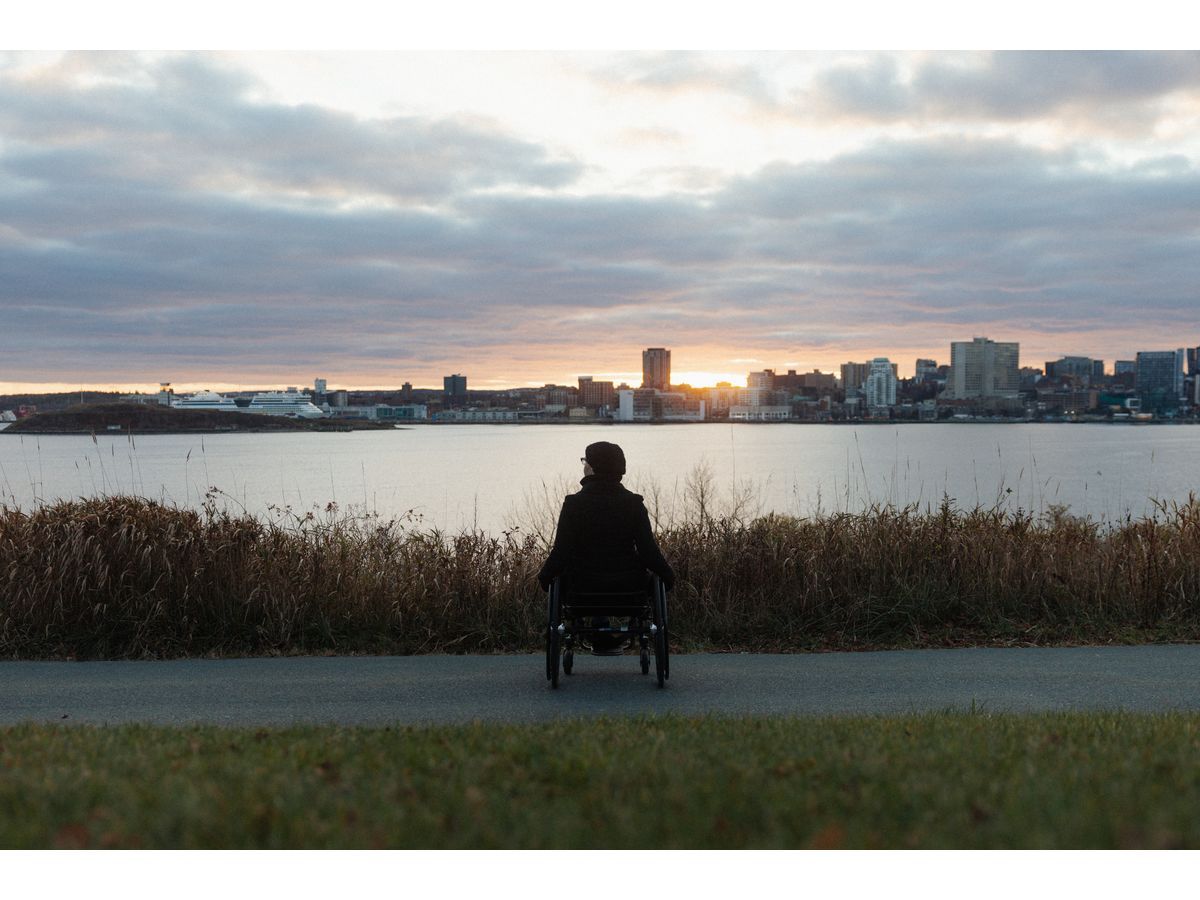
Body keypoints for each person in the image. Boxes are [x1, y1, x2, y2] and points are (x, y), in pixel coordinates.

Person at [537, 441, 675, 653]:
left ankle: (596, 630)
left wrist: (545, 577)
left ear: (592, 468)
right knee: (648, 580)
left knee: (566, 578)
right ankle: (611, 632)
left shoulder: (573, 504)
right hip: (628, 588)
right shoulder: (633, 503)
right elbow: (648, 552)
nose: (583, 466)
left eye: (585, 461)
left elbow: (561, 552)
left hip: (582, 588)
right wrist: (668, 575)